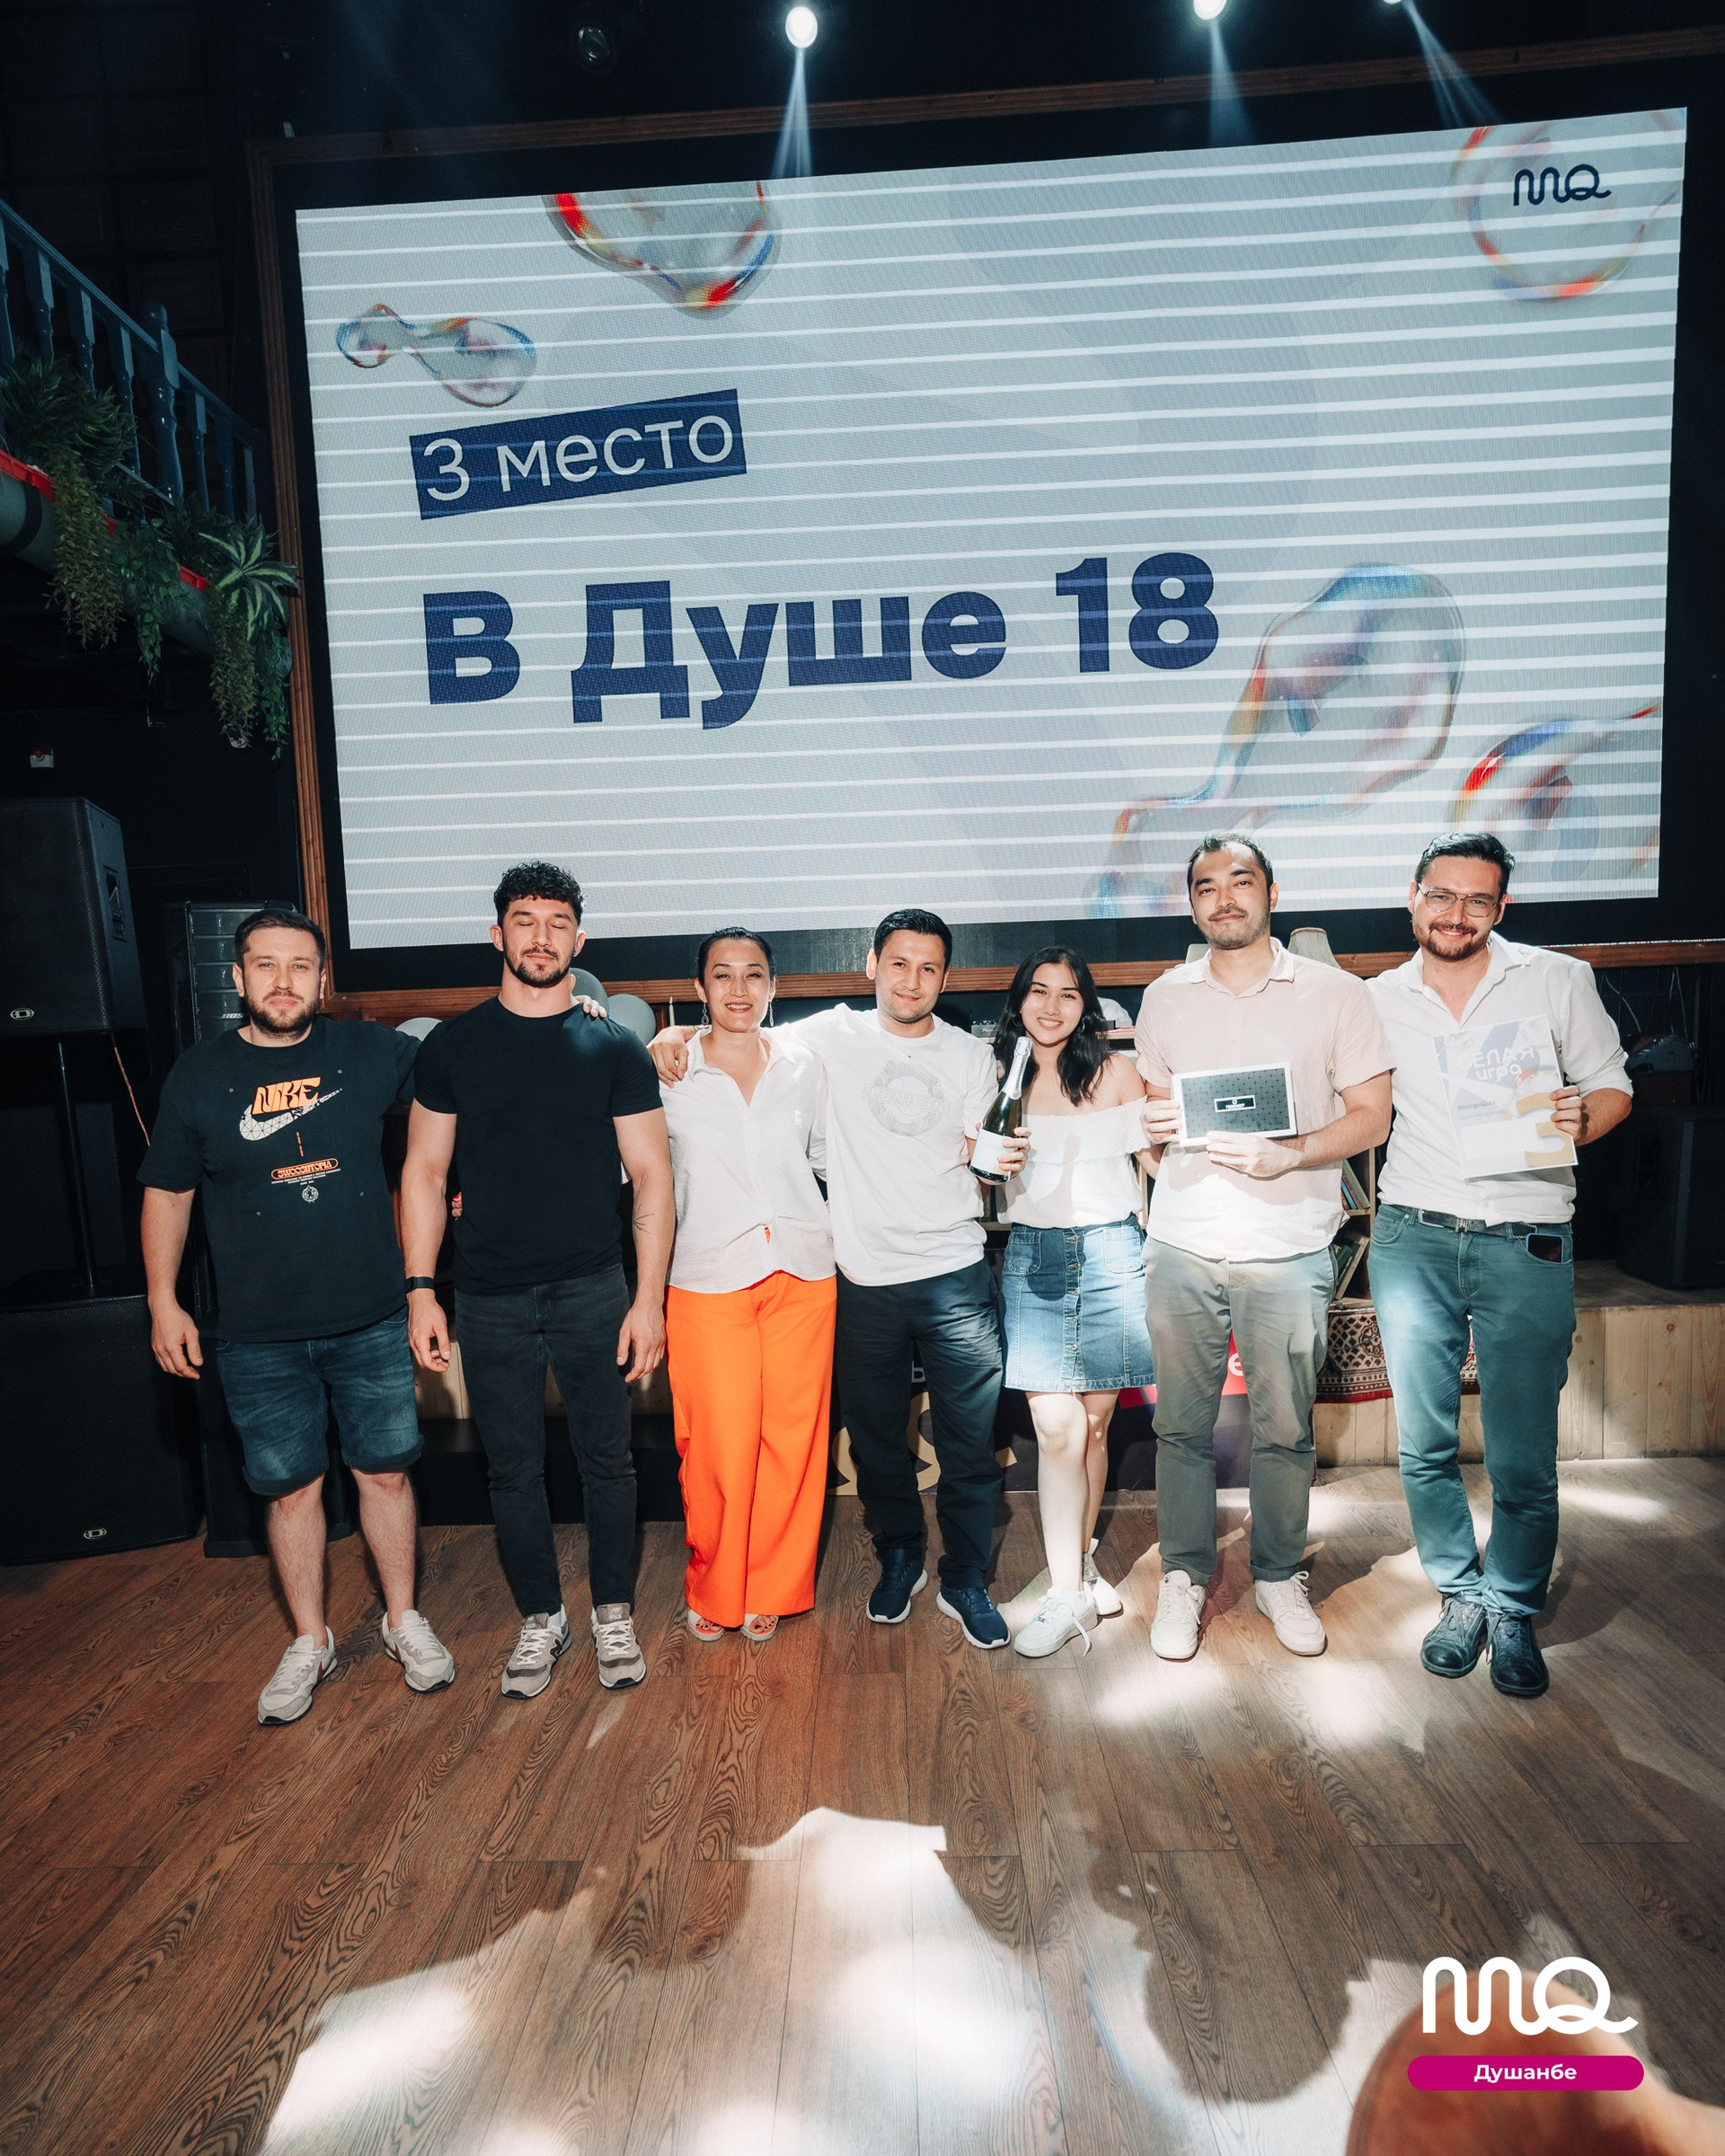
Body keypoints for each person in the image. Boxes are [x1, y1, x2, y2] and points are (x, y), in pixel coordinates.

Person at [653, 908, 1011, 1648]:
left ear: (946, 977)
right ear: (871, 965)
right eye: (898, 963)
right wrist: (671, 1035)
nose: (911, 980)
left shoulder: (970, 1057)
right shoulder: (822, 1038)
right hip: (860, 1274)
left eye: (929, 968)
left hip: (953, 1271)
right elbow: (734, 1029)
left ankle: (967, 1577)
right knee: (875, 1443)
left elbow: (986, 1155)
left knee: (969, 1444)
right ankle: (900, 1557)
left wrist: (1002, 1159)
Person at [139, 904, 456, 1726]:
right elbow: (168, 1193)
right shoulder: (198, 1075)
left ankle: (402, 1619)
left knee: (386, 1474)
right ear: (238, 977)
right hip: (256, 1334)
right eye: (266, 965)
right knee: (290, 1492)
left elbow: (470, 1066)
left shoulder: (369, 1051)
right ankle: (310, 1640)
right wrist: (163, 1300)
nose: (283, 981)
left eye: (300, 966)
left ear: (322, 979)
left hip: (371, 1317)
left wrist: (581, 1008)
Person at [1367, 832, 1632, 1700]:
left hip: (1527, 1236)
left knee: (1523, 1454)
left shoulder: (1556, 979)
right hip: (1414, 1236)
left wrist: (1583, 1117)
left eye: (1478, 900)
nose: (1457, 915)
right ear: (1413, 897)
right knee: (1424, 1443)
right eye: (1442, 896)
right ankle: (1460, 1594)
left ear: (1501, 908)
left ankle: (1513, 1603)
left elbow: (1613, 1084)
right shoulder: (1375, 999)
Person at [401, 862, 673, 1698]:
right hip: (489, 1295)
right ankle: (541, 1618)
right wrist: (421, 1289)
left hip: (593, 1287)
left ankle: (613, 1612)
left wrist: (648, 1301)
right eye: (525, 920)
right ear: (499, 935)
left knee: (608, 1463)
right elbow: (424, 1171)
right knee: (512, 1469)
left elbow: (653, 1176)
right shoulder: (453, 1047)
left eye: (558, 922)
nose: (542, 937)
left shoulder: (612, 1045)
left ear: (578, 941)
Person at [1136, 835, 1393, 1662]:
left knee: (1285, 1430)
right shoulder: (1164, 997)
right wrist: (1150, 1129)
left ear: (1271, 893)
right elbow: (1154, 1116)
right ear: (1193, 904)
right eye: (1206, 886)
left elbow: (1372, 1117)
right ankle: (1184, 1573)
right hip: (1182, 1243)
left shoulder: (1336, 994)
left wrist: (1292, 1154)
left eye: (1240, 881)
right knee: (1181, 1428)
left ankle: (1279, 1572)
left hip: (1287, 1246)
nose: (1224, 897)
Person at [659, 928, 835, 1642]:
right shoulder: (667, 1071)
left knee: (793, 1441)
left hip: (804, 1269)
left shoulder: (804, 1064)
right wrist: (660, 1037)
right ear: (699, 988)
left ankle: (774, 1585)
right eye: (723, 975)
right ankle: (715, 1585)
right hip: (706, 1276)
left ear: (774, 986)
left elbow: (826, 1157)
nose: (739, 989)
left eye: (753, 974)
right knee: (717, 1445)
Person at [993, 947, 1154, 1660]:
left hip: (1114, 1252)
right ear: (1019, 1000)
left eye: (1068, 994)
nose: (1052, 1006)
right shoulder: (999, 1074)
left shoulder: (1116, 1073)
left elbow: (1155, 1162)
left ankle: (1078, 1565)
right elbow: (979, 1167)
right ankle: (1066, 1595)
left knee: (1092, 1428)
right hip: (1034, 1257)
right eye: (1039, 991)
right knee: (1057, 1430)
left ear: (1086, 1005)